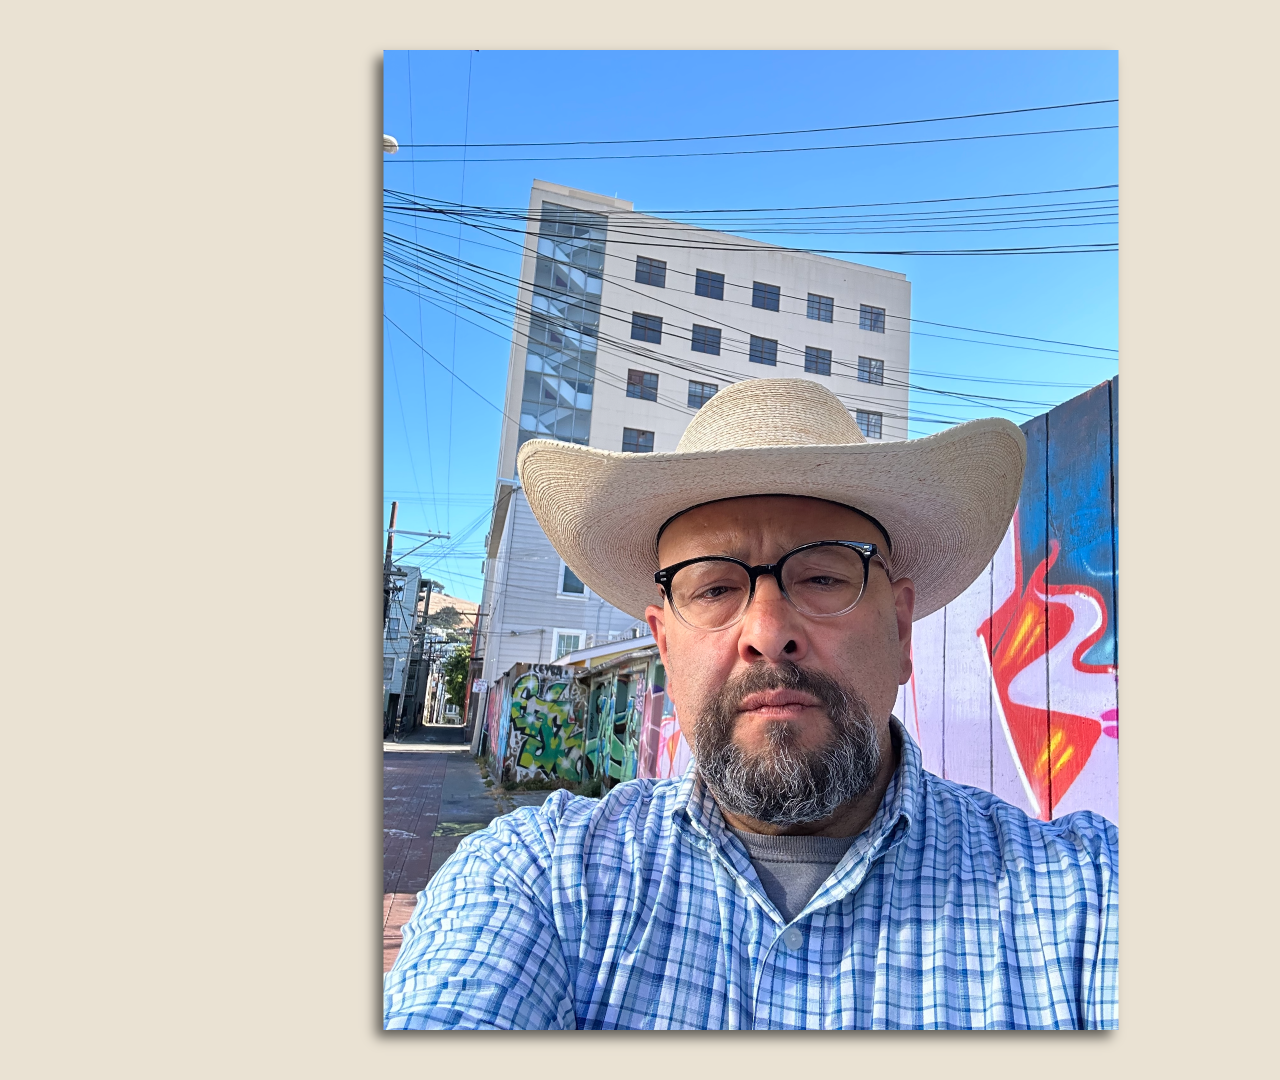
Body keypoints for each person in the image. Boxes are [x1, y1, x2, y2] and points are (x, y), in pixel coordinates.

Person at [384, 379, 1117, 1030]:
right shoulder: (541, 880)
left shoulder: (1081, 900)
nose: (768, 634)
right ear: (664, 647)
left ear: (900, 632)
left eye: (825, 577)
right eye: (713, 588)